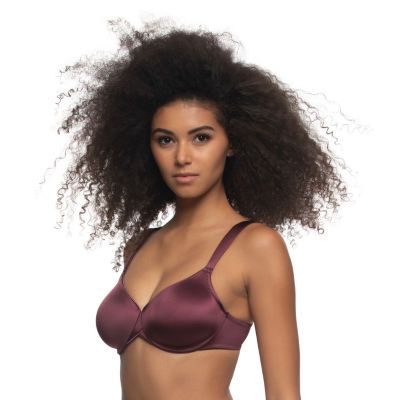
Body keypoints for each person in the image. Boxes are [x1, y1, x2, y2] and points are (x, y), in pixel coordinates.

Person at [48, 17, 352, 400]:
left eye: (201, 138)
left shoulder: (256, 246)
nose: (182, 157)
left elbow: (283, 394)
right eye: (165, 140)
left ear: (232, 142)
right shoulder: (139, 245)